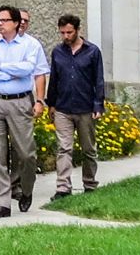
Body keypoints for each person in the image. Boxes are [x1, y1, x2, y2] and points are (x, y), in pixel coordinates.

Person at [0, 4, 47, 218]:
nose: (0, 24)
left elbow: (28, 69)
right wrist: (9, 70)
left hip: (19, 102)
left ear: (16, 23)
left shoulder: (31, 44)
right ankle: (2, 204)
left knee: (26, 154)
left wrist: (0, 67)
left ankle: (26, 190)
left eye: (4, 20)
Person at [44, 14, 105, 199]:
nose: (65, 36)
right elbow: (54, 79)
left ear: (78, 30)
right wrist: (51, 103)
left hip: (85, 106)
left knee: (88, 149)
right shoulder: (58, 52)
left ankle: (90, 182)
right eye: (62, 32)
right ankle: (63, 187)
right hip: (63, 106)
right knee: (64, 148)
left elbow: (99, 80)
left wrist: (98, 105)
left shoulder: (92, 52)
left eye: (69, 32)